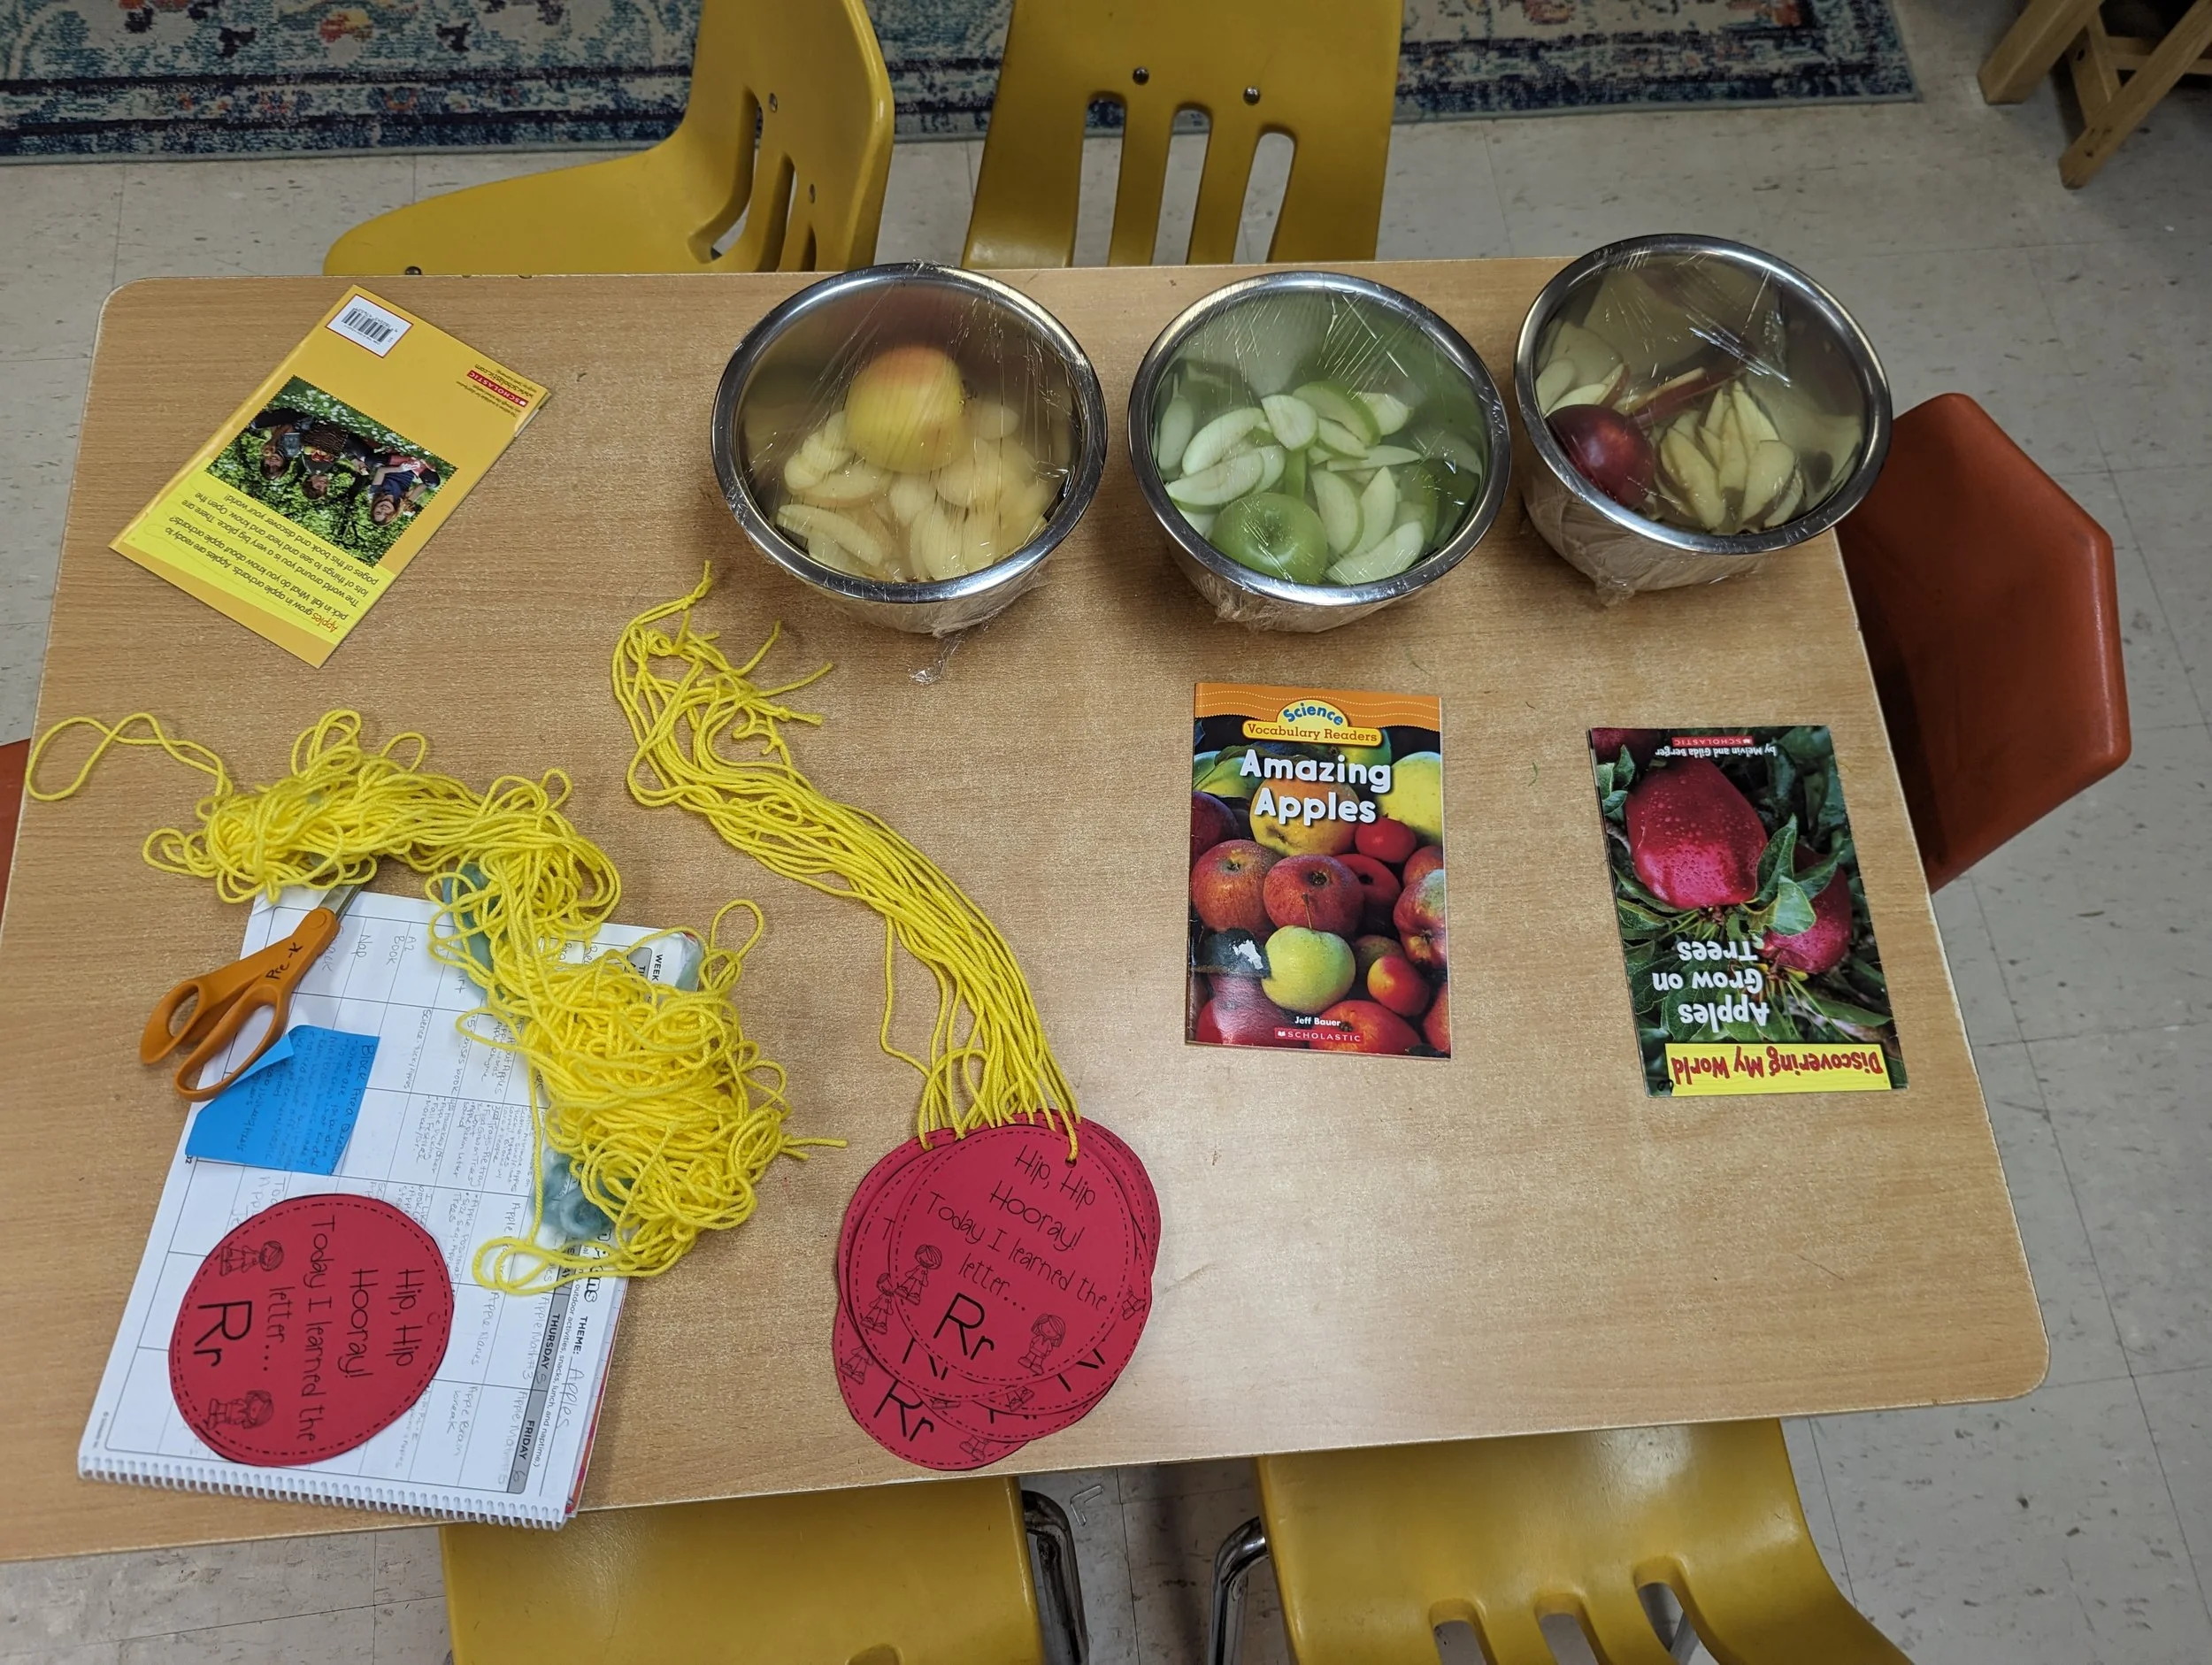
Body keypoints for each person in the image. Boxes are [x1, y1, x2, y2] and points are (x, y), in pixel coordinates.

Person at [365, 453, 442, 526]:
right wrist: (408, 503)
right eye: (387, 514)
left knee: (371, 460)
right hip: (412, 469)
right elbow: (423, 486)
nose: (383, 510)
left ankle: (415, 460)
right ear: (393, 512)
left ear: (374, 508)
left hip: (395, 463)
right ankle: (418, 463)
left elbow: (381, 471)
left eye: (378, 512)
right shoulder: (401, 503)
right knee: (433, 483)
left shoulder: (374, 493)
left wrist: (400, 469)